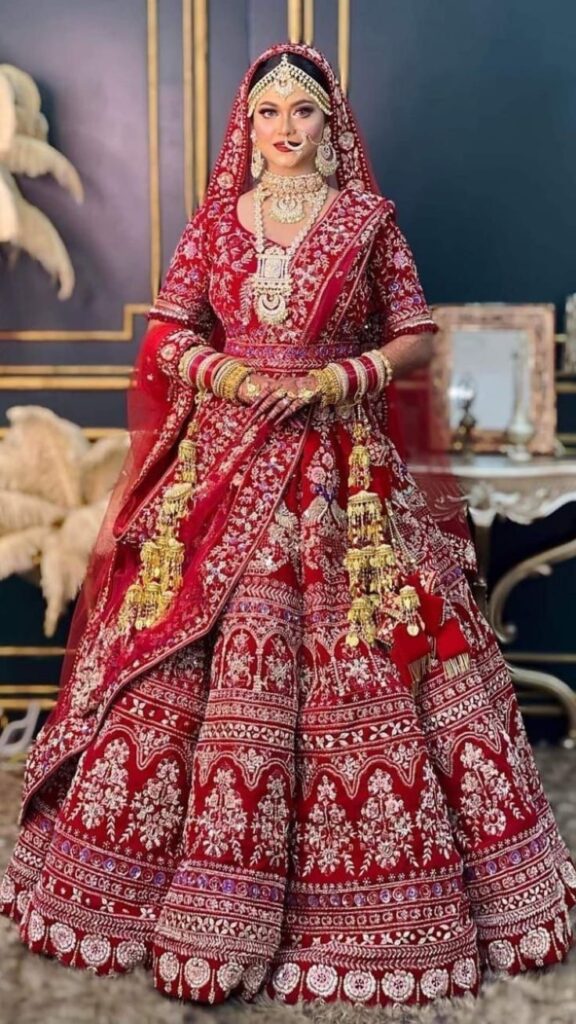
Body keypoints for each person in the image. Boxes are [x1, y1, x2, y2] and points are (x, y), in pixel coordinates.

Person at [1, 42, 574, 1011]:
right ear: (247, 126)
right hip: (229, 460)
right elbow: (170, 331)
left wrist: (336, 376)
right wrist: (231, 376)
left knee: (385, 655)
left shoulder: (366, 222)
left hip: (343, 470)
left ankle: (380, 906)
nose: (284, 129)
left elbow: (411, 330)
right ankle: (195, 898)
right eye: (267, 113)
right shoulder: (219, 225)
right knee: (201, 646)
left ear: (329, 126)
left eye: (302, 113)